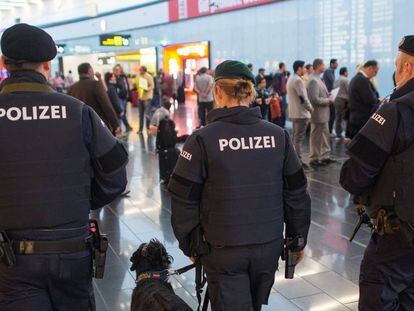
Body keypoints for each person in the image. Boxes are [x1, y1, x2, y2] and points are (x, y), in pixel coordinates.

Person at [0, 23, 128, 310]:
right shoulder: (78, 112)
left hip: (11, 259)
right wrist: (82, 201)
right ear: (47, 65)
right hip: (72, 252)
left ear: (4, 63)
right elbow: (116, 175)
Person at [168, 60, 311, 311]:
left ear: (218, 91)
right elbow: (296, 192)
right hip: (268, 246)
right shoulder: (278, 136)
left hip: (222, 249)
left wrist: (190, 243)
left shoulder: (202, 139)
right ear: (251, 92)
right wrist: (297, 238)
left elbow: (183, 197)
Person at [340, 35, 414, 311]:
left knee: (378, 299)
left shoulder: (395, 111)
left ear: (407, 68)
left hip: (397, 236)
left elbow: (354, 175)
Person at [68, 63, 120, 134]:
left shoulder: (72, 88)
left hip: (80, 128)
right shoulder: (95, 84)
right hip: (98, 126)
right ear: (89, 71)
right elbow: (106, 105)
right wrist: (115, 124)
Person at [307, 58, 335, 168]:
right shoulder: (313, 80)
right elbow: (314, 99)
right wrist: (328, 100)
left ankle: (324, 157)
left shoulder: (318, 78)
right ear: (318, 65)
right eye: (323, 64)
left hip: (323, 114)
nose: (325, 66)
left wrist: (328, 96)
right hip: (317, 114)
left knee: (324, 136)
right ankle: (314, 158)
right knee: (316, 137)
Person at [287, 60, 314, 172]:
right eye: (303, 67)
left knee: (295, 137)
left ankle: (294, 160)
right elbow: (303, 98)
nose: (305, 70)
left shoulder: (291, 78)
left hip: (294, 113)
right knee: (298, 139)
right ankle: (299, 162)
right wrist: (311, 108)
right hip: (301, 114)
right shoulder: (298, 80)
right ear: (299, 68)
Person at [347, 60, 380, 139]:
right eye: (375, 72)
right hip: (362, 118)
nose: (375, 75)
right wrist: (378, 100)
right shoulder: (362, 80)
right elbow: (369, 99)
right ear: (370, 68)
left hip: (356, 117)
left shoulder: (355, 78)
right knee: (362, 145)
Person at [113, 64, 133, 132]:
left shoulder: (123, 77)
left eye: (119, 69)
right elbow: (117, 87)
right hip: (119, 98)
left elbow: (125, 87)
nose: (119, 70)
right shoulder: (114, 78)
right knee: (121, 113)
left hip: (124, 97)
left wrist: (128, 95)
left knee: (123, 113)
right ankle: (120, 128)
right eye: (117, 70)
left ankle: (126, 126)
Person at [136, 65, 155, 134]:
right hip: (140, 97)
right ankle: (140, 129)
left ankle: (148, 128)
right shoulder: (139, 76)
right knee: (140, 114)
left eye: (141, 70)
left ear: (144, 70)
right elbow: (137, 84)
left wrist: (147, 89)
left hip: (147, 97)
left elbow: (152, 85)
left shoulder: (148, 77)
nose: (140, 71)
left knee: (147, 114)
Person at [333, 67, 349, 140]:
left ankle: (338, 134)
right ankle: (346, 133)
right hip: (343, 100)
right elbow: (349, 90)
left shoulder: (336, 80)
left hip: (336, 100)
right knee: (345, 117)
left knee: (337, 117)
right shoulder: (345, 80)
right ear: (345, 72)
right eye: (347, 72)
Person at [323, 59, 338, 134]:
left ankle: (329, 131)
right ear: (332, 64)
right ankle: (329, 131)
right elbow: (333, 83)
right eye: (336, 63)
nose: (337, 64)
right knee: (331, 114)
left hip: (330, 95)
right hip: (329, 96)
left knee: (332, 114)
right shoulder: (329, 71)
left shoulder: (331, 71)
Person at [272, 62, 288, 128]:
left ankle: (282, 125)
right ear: (282, 66)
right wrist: (279, 95)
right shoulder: (277, 75)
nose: (285, 68)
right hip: (280, 96)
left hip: (283, 95)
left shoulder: (282, 74)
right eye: (285, 66)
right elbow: (276, 86)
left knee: (283, 110)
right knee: (280, 110)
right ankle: (279, 126)